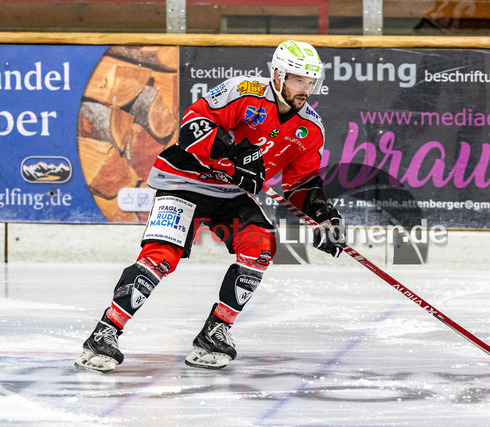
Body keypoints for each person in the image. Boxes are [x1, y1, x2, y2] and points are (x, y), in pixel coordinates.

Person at [75, 40, 346, 373]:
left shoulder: (310, 129)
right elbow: (192, 127)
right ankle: (105, 333)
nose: (305, 89)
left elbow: (301, 184)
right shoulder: (243, 92)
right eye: (297, 80)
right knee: (161, 257)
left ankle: (215, 332)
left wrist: (323, 215)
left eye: (310, 81)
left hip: (230, 193)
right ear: (277, 75)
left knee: (261, 245)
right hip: (185, 180)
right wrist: (232, 153)